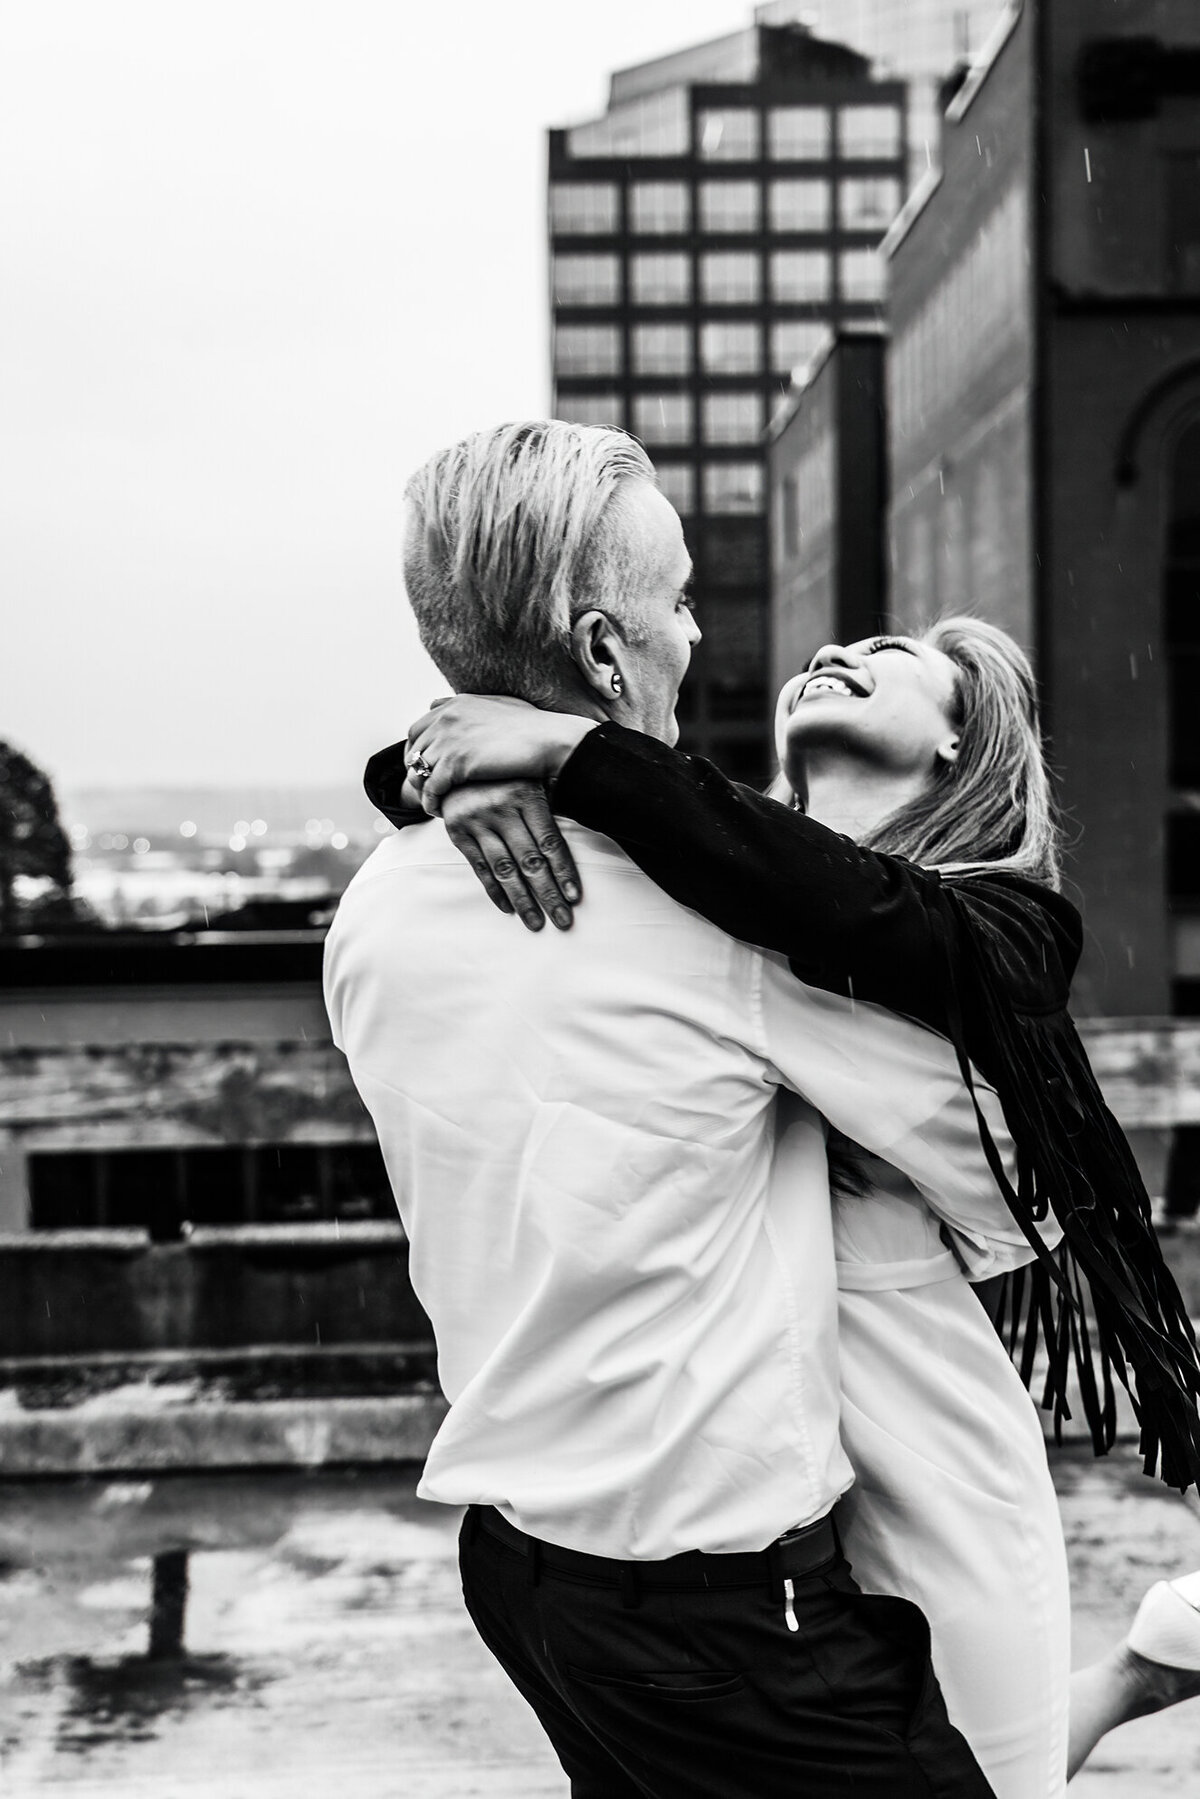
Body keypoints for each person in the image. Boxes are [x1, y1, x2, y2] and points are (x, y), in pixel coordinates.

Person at [384, 604, 1200, 1792]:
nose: (837, 654)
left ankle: (1136, 1670)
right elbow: (733, 870)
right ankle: (1145, 1664)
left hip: (903, 1393)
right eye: (839, 650)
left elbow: (863, 941)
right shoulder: (708, 866)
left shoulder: (987, 923)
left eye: (890, 662)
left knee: (993, 1766)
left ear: (956, 751)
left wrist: (557, 755)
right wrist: (450, 776)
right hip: (741, 1412)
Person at [325, 420, 1009, 1797]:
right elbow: (1005, 1171)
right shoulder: (712, 926)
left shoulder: (376, 903)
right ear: (600, 649)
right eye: (681, 601)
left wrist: (448, 780)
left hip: (524, 1569)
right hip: (725, 1614)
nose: (697, 638)